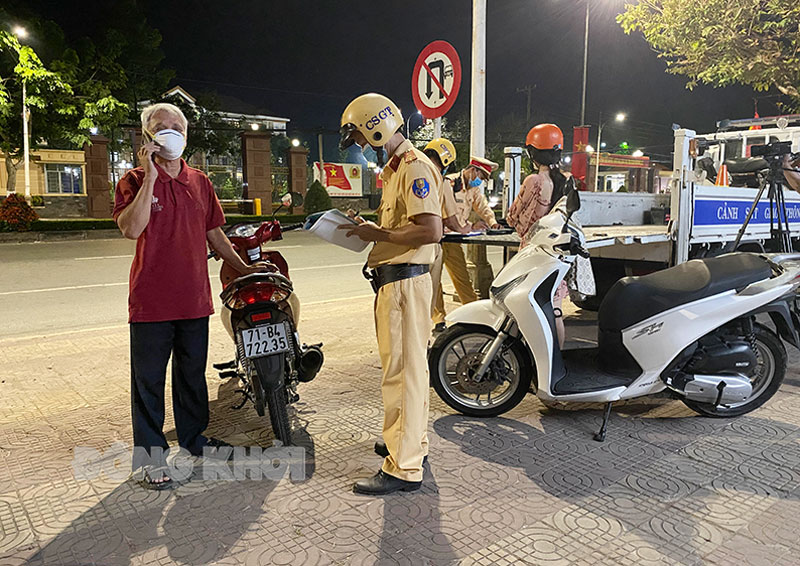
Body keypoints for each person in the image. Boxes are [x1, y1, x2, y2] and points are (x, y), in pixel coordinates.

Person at [114, 102, 267, 490]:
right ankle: (150, 457)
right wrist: (150, 176)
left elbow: (216, 234)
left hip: (194, 299)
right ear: (147, 136)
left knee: (191, 376)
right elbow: (131, 229)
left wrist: (244, 268)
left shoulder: (199, 181)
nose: (170, 132)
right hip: (150, 302)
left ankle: (194, 439)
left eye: (177, 127)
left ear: (186, 134)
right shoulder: (133, 180)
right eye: (161, 126)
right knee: (148, 382)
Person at [338, 93, 442, 495]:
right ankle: (410, 442)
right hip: (400, 282)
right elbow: (405, 224)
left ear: (376, 127)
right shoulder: (397, 168)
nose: (360, 145)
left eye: (360, 137)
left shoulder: (413, 166)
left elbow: (430, 229)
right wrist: (372, 230)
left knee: (401, 375)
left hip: (403, 284)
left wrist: (378, 234)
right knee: (409, 371)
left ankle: (403, 467)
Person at [507, 123, 570, 347]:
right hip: (556, 252)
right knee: (555, 310)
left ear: (532, 153)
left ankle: (531, 358)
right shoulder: (565, 181)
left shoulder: (534, 181)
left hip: (533, 253)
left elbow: (512, 217)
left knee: (527, 309)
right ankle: (555, 358)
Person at [439, 157, 502, 317]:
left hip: (454, 239)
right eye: (480, 177)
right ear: (473, 170)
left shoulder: (473, 189)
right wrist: (470, 226)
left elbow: (482, 205)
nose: (480, 181)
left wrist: (493, 222)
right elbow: (446, 212)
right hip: (439, 237)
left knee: (462, 277)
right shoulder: (450, 182)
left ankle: (474, 313)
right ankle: (438, 319)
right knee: (434, 280)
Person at [423, 138, 470, 330]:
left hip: (408, 245)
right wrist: (465, 229)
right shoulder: (440, 181)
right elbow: (451, 219)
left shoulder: (412, 174)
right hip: (432, 244)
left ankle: (434, 321)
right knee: (433, 286)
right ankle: (428, 330)